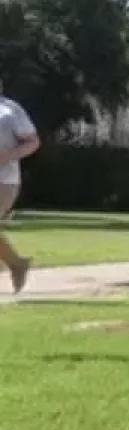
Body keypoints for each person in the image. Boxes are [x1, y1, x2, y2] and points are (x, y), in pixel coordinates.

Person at [0, 83, 39, 293]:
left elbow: (33, 142)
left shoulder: (10, 110)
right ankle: (17, 264)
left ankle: (16, 264)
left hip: (4, 180)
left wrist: (8, 156)